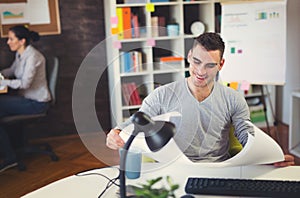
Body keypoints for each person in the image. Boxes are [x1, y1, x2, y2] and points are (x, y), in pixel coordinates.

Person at [106, 32, 294, 167]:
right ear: (189, 56)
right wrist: (116, 132)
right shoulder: (162, 94)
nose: (201, 72)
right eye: (196, 62)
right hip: (173, 167)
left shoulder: (234, 99)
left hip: (218, 169)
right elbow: (138, 121)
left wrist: (270, 155)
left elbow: (246, 135)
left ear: (221, 64)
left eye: (210, 65)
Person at [0, 25, 51, 172]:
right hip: (27, 100)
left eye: (11, 39)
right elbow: (12, 70)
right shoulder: (21, 54)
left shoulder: (33, 56)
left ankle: (9, 157)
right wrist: (1, 74)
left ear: (21, 41)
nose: (8, 42)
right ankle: (10, 152)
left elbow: (25, 83)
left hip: (37, 103)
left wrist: (3, 82)